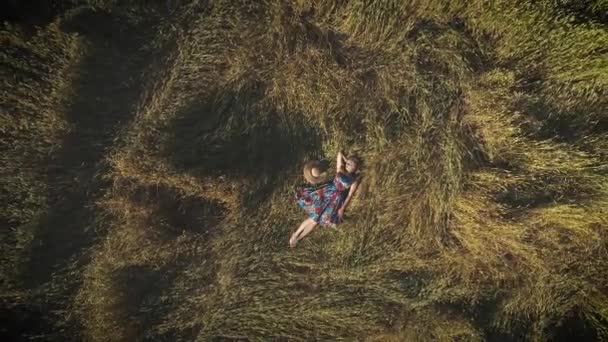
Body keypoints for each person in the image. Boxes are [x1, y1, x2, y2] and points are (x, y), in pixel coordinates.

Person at [289, 151, 361, 248]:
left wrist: (342, 208)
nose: (348, 165)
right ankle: (296, 234)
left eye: (351, 164)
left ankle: (298, 238)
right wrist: (346, 159)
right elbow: (339, 153)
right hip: (326, 193)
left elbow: (350, 195)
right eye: (348, 163)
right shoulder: (340, 169)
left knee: (315, 222)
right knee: (313, 219)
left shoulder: (354, 181)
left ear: (356, 167)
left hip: (335, 201)